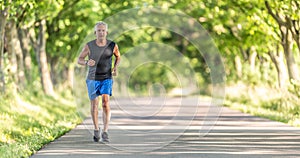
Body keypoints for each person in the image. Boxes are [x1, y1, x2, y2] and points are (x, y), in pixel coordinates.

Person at [77, 21, 121, 142]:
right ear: (95, 33)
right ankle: (96, 129)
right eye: (99, 31)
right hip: (92, 79)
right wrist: (86, 62)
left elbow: (118, 56)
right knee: (94, 104)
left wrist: (115, 67)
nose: (101, 33)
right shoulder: (89, 46)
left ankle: (105, 131)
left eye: (103, 30)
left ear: (106, 32)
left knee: (105, 102)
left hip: (106, 77)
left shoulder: (112, 45)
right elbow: (79, 59)